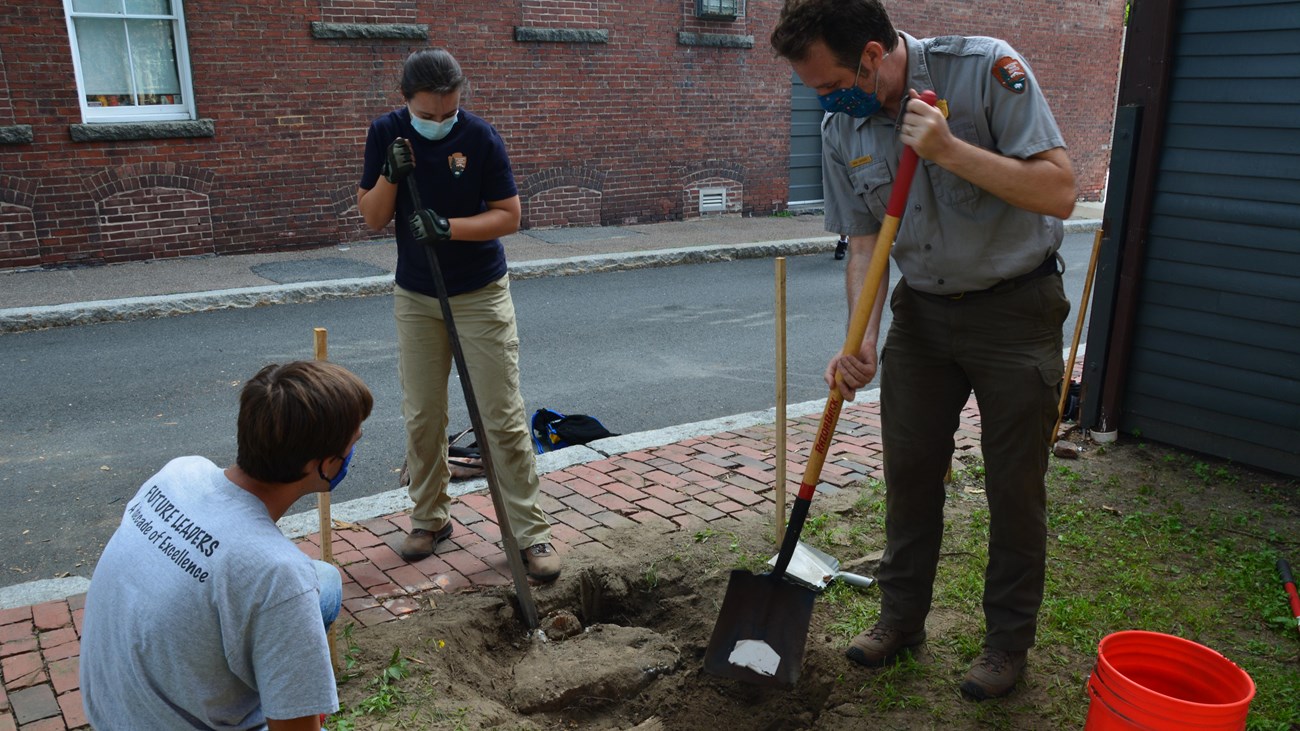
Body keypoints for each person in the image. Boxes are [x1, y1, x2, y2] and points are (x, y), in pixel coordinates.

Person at [771, 0, 1076, 700]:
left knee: (1013, 485)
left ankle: (1006, 643)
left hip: (1015, 308)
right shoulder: (841, 124)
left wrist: (948, 150)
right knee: (909, 472)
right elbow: (863, 242)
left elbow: (1061, 189)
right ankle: (901, 618)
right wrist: (863, 339)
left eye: (828, 83)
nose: (823, 98)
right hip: (923, 314)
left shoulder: (984, 72)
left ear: (873, 57)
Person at [356, 48, 560, 581]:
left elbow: (509, 216)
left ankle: (529, 533)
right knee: (424, 414)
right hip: (417, 296)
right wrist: (390, 176)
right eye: (428, 114)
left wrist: (449, 227)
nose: (440, 122)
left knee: (502, 416)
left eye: (448, 112)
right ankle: (430, 518)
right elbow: (374, 217)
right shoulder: (386, 134)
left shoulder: (480, 138)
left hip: (479, 292)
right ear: (406, 102)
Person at [80, 360, 373, 730]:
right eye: (354, 440)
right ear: (327, 465)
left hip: (109, 712)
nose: (354, 447)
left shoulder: (179, 472)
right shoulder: (277, 573)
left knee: (324, 581)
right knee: (302, 591)